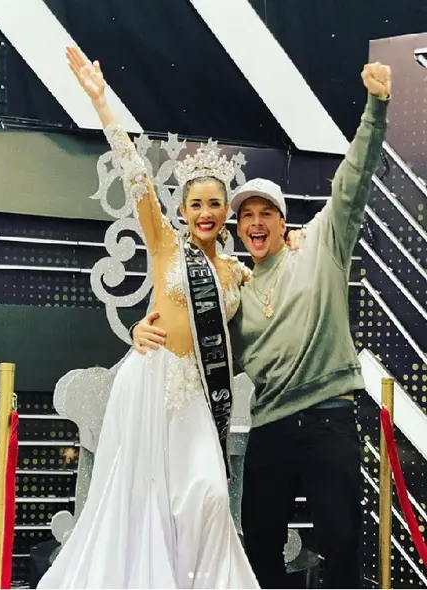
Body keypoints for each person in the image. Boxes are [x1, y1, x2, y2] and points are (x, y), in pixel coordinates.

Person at [133, 63, 391, 588]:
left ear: (283, 220)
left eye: (265, 213)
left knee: (341, 543)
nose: (255, 222)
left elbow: (352, 180)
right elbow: (191, 340)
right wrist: (145, 331)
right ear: (236, 224)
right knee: (258, 544)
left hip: (328, 419)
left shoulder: (322, 246)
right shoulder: (233, 289)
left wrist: (376, 109)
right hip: (269, 428)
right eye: (245, 214)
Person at [37, 47, 259, 589]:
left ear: (225, 211)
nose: (205, 212)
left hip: (199, 396)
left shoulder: (237, 273)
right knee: (140, 502)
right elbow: (135, 174)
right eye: (196, 203)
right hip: (151, 381)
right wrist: (101, 102)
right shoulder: (165, 247)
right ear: (183, 211)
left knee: (206, 492)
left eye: (215, 203)